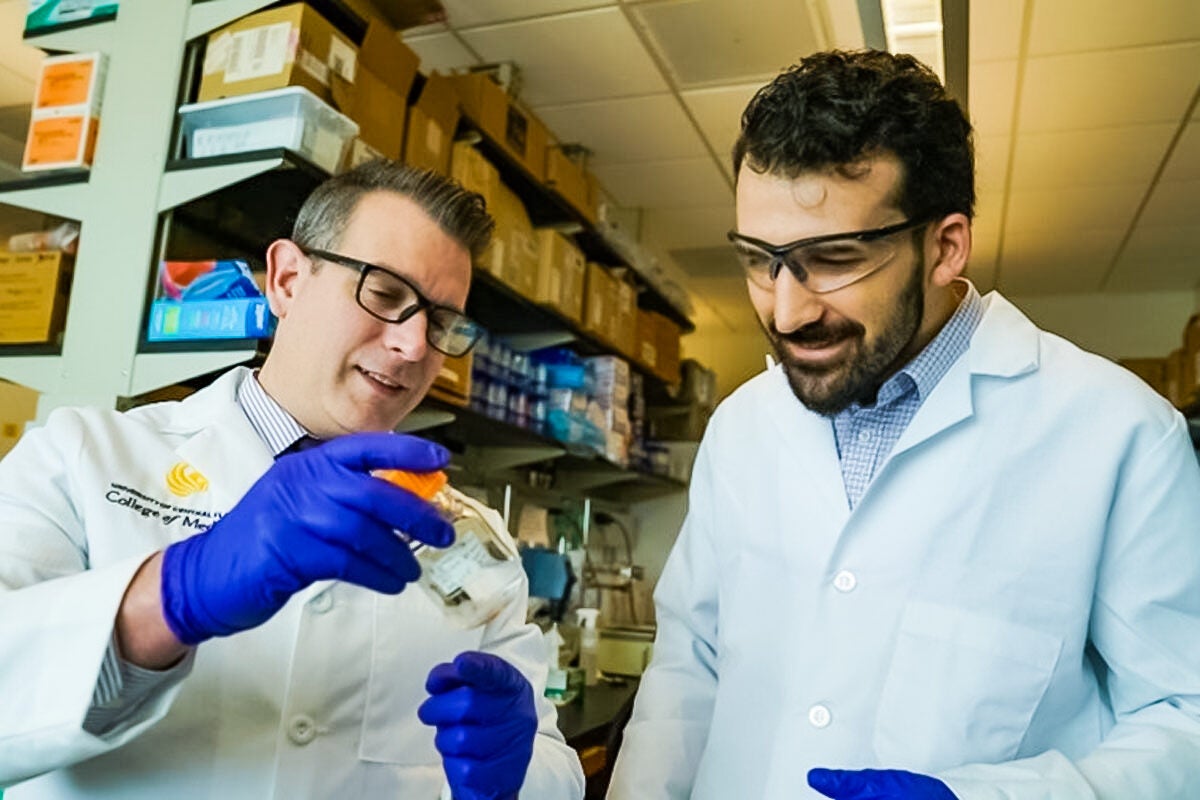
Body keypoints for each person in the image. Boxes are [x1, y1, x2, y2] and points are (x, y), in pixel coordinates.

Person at [607, 50, 1200, 800]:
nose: (787, 311)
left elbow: (1186, 715)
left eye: (834, 259)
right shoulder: (741, 430)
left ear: (945, 246)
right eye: (762, 260)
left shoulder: (1118, 436)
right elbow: (689, 668)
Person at [0, 160, 585, 800]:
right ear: (285, 280)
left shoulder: (471, 539)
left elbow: (551, 768)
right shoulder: (82, 456)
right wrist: (170, 596)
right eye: (385, 294)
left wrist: (515, 777)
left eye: (441, 323)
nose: (416, 346)